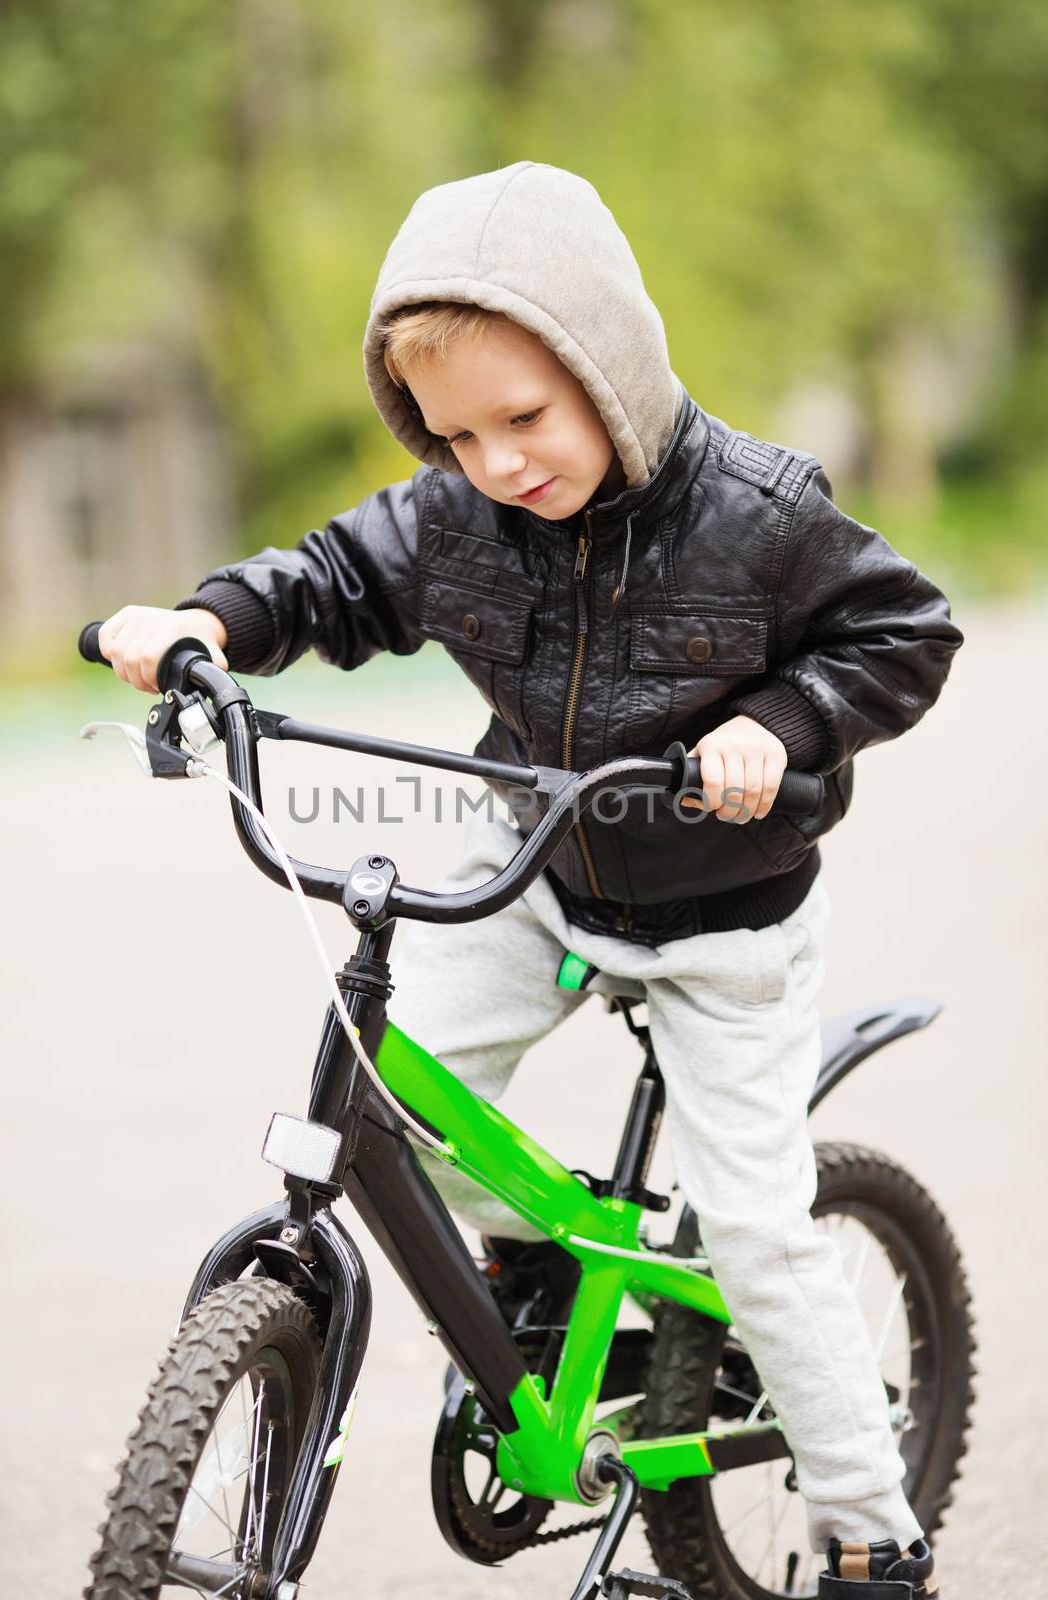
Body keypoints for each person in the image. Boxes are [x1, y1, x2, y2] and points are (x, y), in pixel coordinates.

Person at [97, 161, 961, 1596]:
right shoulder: (458, 517)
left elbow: (902, 633)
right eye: (455, 435)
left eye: (525, 419)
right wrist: (206, 621)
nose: (498, 461)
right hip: (543, 870)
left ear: (609, 371)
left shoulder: (759, 512)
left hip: (722, 920)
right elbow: (329, 576)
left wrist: (777, 726)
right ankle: (548, 1268)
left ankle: (876, 1528)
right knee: (386, 1085)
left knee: (757, 1233)